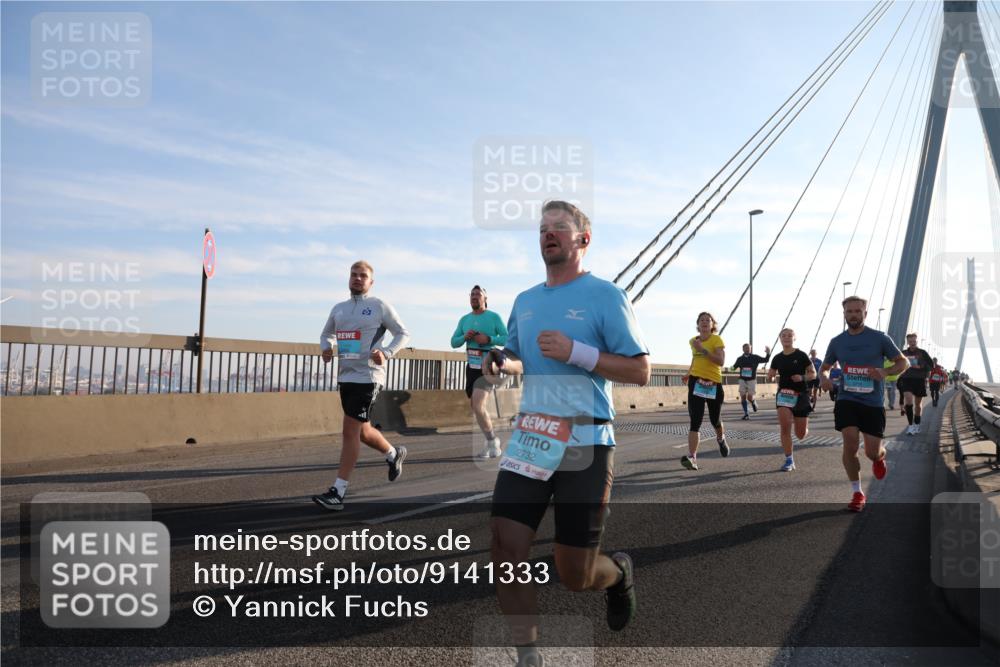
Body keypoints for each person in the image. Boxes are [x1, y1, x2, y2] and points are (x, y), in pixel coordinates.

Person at [482, 200, 650, 667]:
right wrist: (500, 360)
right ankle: (528, 655)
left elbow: (640, 371)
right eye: (542, 228)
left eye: (559, 227)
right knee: (504, 543)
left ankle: (617, 574)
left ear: (583, 240)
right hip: (532, 438)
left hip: (587, 443)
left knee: (573, 573)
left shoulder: (606, 295)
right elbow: (518, 355)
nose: (548, 233)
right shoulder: (526, 301)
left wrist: (578, 351)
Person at [313, 261, 411, 511]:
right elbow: (327, 334)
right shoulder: (340, 309)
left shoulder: (378, 306)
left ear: (371, 282)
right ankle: (393, 454)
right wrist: (326, 347)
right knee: (363, 431)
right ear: (349, 278)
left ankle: (338, 492)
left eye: (363, 276)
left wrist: (387, 352)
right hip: (346, 377)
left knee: (349, 431)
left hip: (368, 377)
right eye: (354, 275)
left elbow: (403, 333)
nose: (357, 279)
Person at [819, 296, 907, 512]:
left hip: (873, 402)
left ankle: (879, 457)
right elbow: (825, 366)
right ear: (844, 314)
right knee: (849, 443)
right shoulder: (837, 341)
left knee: (871, 452)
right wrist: (823, 376)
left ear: (865, 314)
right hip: (847, 399)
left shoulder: (880, 338)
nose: (853, 315)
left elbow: (903, 362)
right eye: (849, 311)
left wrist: (885, 371)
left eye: (857, 311)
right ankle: (857, 492)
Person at [451, 285, 508, 458]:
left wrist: (489, 339)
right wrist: (465, 337)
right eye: (472, 294)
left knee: (477, 404)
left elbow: (507, 338)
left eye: (478, 294)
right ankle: (491, 442)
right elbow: (454, 342)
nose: (475, 297)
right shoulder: (464, 319)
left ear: (485, 298)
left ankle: (492, 444)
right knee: (476, 407)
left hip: (489, 367)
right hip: (472, 367)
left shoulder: (493, 317)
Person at [681, 312, 728, 470]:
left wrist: (703, 349)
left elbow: (720, 361)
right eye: (701, 320)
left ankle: (721, 439)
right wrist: (689, 373)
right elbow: (695, 358)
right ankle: (692, 457)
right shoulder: (693, 341)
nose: (704, 322)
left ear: (712, 324)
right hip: (696, 382)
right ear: (698, 324)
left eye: (708, 320)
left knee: (715, 419)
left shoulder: (717, 339)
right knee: (695, 421)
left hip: (713, 383)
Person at [767, 328, 816, 471]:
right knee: (785, 427)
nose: (786, 337)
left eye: (790, 335)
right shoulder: (777, 358)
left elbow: (812, 374)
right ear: (780, 339)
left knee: (800, 435)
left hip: (801, 395)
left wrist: (802, 377)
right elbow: (771, 374)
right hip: (784, 395)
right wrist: (771, 376)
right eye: (783, 335)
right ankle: (789, 460)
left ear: (794, 338)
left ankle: (804, 427)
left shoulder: (801, 355)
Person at [898, 333, 934, 435]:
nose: (912, 343)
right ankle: (910, 426)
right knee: (908, 402)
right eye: (910, 342)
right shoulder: (903, 353)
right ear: (907, 342)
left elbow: (931, 365)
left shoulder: (923, 353)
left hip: (919, 380)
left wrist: (921, 367)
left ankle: (917, 425)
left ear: (916, 341)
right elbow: (896, 363)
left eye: (914, 341)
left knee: (918, 405)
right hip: (907, 379)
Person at [731, 343, 771, 420]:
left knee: (749, 397)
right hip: (742, 379)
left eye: (749, 348)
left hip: (752, 380)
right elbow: (734, 367)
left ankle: (753, 402)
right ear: (743, 349)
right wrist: (728, 369)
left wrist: (768, 353)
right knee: (743, 396)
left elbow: (766, 360)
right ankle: (746, 414)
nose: (748, 349)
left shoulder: (755, 357)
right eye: (746, 348)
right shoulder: (740, 359)